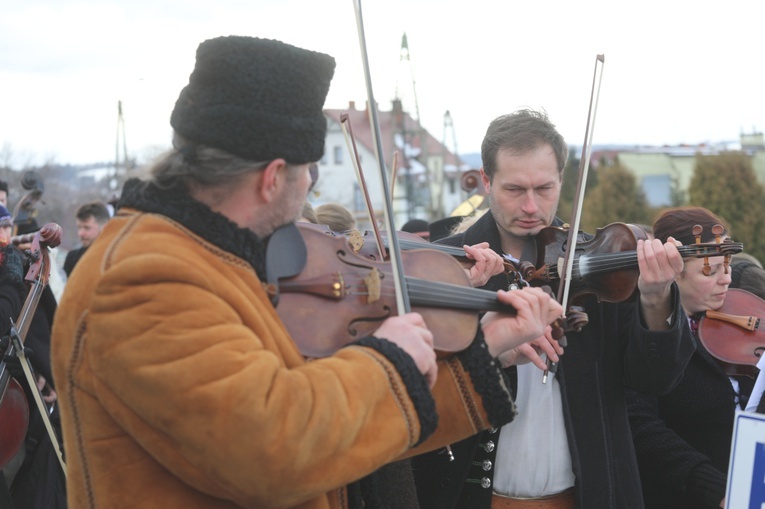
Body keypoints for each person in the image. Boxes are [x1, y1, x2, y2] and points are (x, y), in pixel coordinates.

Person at [51, 36, 565, 509]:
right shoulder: (142, 278)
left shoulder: (213, 257)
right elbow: (272, 447)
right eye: (307, 176)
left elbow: (342, 432)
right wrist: (390, 362)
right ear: (275, 178)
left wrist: (484, 350)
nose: (308, 194)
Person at [412, 109, 695, 509]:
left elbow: (654, 380)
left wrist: (654, 297)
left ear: (563, 180)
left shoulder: (602, 263)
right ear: (487, 182)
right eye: (514, 190)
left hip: (588, 495)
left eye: (545, 188)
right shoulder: (445, 264)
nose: (531, 206)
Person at [626, 206, 758, 509]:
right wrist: (714, 488)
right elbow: (642, 426)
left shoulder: (738, 319)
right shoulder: (642, 335)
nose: (726, 279)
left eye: (727, 265)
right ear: (672, 271)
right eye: (709, 270)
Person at [62, 201, 110, 277]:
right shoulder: (72, 258)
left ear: (105, 227)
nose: (80, 233)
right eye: (79, 227)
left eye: (87, 228)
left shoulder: (112, 260)